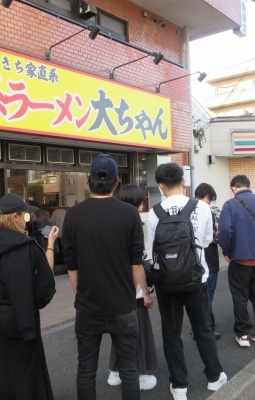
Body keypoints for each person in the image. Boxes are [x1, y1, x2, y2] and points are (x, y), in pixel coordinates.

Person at [62, 153, 150, 400]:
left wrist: (80, 294)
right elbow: (136, 265)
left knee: (86, 369)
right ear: (116, 183)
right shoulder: (129, 214)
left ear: (89, 181)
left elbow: (71, 265)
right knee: (129, 368)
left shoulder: (74, 215)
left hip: (88, 307)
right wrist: (132, 294)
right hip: (123, 306)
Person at [148, 163, 227, 400]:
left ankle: (179, 386)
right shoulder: (202, 207)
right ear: (183, 181)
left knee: (171, 333)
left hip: (166, 282)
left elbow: (152, 249)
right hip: (196, 279)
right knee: (203, 329)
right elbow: (205, 241)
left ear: (161, 185)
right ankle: (214, 377)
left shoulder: (155, 212)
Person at [0, 193, 59, 400]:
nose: (27, 218)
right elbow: (45, 285)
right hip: (23, 317)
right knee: (28, 370)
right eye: (25, 214)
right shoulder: (25, 247)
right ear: (15, 216)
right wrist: (50, 244)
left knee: (7, 366)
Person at [107, 184, 158, 391]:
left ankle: (114, 371)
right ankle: (139, 374)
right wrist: (145, 292)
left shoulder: (109, 220)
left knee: (119, 331)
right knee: (137, 331)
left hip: (113, 286)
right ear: (139, 202)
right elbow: (138, 262)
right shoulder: (137, 221)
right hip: (133, 289)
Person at [218, 174, 255, 349]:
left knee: (240, 298)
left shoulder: (230, 205)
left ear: (233, 188)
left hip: (240, 259)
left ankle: (243, 334)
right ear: (248, 186)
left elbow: (224, 232)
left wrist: (228, 251)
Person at [194, 182, 222, 340]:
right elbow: (210, 238)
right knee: (208, 295)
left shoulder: (187, 209)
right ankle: (207, 329)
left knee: (198, 297)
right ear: (207, 197)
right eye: (211, 199)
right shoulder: (206, 211)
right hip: (209, 259)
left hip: (192, 260)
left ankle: (198, 327)